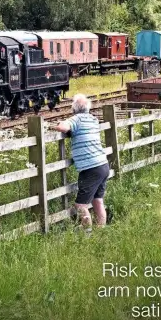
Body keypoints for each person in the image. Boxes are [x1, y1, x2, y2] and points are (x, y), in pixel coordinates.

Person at [53, 94, 109, 232]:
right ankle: (101, 231)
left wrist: (58, 125)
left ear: (74, 109)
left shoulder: (76, 119)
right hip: (103, 164)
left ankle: (87, 235)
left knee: (81, 205)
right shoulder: (93, 119)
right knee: (98, 201)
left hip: (91, 168)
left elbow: (63, 128)